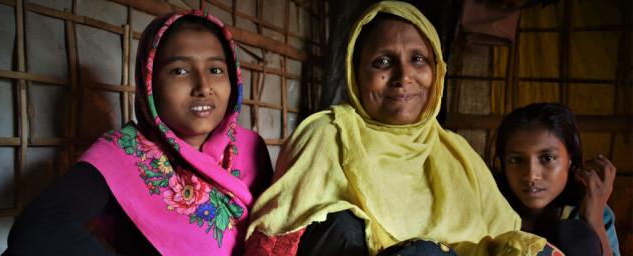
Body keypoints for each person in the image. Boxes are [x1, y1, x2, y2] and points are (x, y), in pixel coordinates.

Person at [244, 1, 555, 255]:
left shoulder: (456, 152)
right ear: (356, 73)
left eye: (418, 59)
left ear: (436, 71)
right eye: (382, 62)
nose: (403, 76)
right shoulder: (327, 135)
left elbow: (505, 234)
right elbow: (279, 237)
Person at [5, 10, 272, 255]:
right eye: (180, 71)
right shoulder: (123, 153)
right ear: (149, 82)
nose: (203, 86)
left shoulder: (249, 149)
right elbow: (38, 231)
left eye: (215, 70)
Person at [492, 103, 620, 256]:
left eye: (547, 158)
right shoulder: (490, 210)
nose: (531, 175)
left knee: (573, 233)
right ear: (503, 162)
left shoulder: (596, 214)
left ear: (570, 159)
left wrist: (594, 220)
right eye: (516, 160)